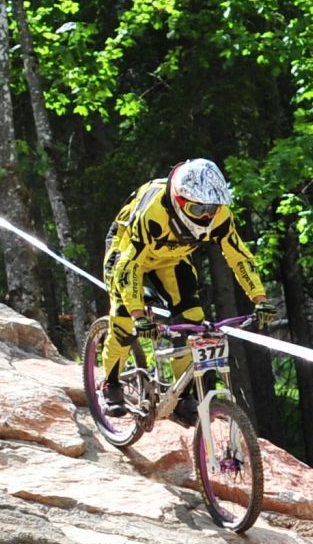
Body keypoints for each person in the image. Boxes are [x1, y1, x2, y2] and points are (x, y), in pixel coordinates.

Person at [100, 158, 275, 425]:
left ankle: (181, 397)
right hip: (127, 253)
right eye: (198, 208)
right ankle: (110, 383)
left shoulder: (220, 217)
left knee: (192, 320)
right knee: (123, 321)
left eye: (212, 208)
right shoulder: (154, 212)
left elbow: (239, 255)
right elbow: (129, 266)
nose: (206, 216)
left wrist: (259, 298)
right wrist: (138, 315)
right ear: (179, 201)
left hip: (172, 259)